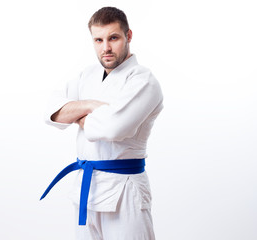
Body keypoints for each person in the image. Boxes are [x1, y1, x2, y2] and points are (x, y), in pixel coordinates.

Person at [41, 6, 163, 240]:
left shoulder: (143, 81)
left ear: (128, 36)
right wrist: (90, 106)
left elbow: (112, 128)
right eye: (98, 39)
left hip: (125, 192)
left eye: (113, 38)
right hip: (87, 192)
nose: (105, 47)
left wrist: (75, 115)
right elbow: (51, 112)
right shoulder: (87, 75)